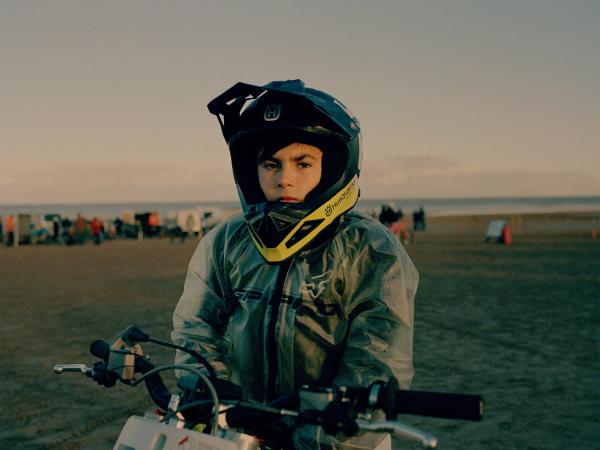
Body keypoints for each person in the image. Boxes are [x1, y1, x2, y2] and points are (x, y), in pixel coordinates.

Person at [171, 80, 418, 449]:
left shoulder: (369, 248)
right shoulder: (229, 241)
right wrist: (208, 387)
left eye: (303, 163)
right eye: (271, 164)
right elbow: (197, 325)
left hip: (335, 435)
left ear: (333, 165)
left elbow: (379, 351)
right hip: (245, 430)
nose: (284, 178)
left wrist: (327, 423)